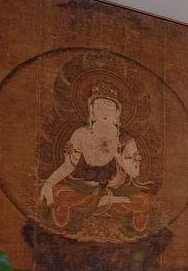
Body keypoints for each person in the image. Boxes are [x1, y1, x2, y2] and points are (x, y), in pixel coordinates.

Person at [39, 82, 154, 235]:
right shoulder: (81, 134)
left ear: (117, 113)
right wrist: (49, 183)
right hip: (85, 187)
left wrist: (116, 154)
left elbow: (134, 173)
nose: (104, 112)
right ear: (92, 112)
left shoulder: (126, 140)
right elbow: (68, 166)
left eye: (109, 108)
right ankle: (105, 201)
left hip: (116, 189)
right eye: (99, 107)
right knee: (58, 192)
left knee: (144, 201)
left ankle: (106, 201)